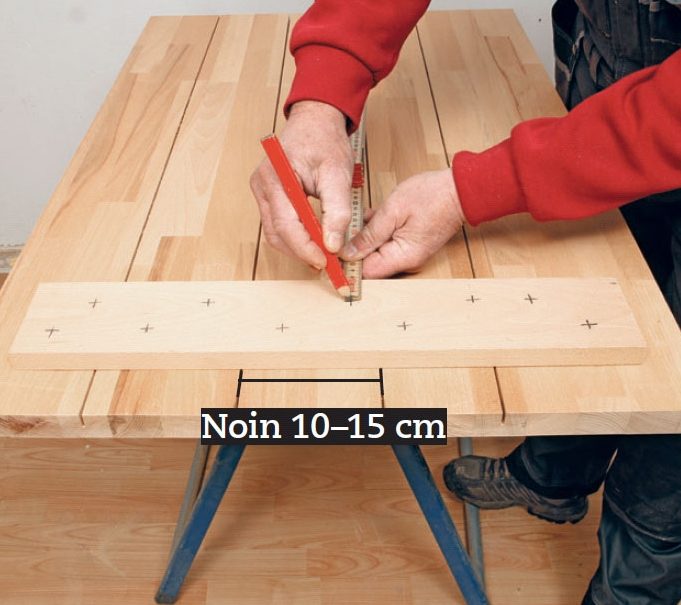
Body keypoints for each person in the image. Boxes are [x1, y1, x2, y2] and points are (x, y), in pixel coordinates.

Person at [249, 1, 681, 603]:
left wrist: (472, 189)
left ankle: (629, 592)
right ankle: (553, 477)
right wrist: (323, 97)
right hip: (615, 65)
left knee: (671, 429)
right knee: (597, 303)